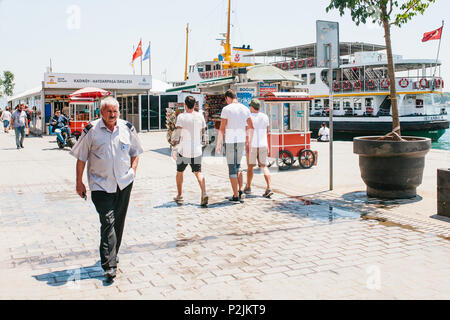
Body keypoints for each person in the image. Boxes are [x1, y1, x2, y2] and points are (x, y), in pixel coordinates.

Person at [69, 96, 143, 281]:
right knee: (108, 220)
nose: (112, 115)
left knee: (118, 220)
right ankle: (109, 265)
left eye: (115, 111)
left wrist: (133, 171)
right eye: (109, 111)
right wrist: (79, 182)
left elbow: (136, 152)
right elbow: (81, 158)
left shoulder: (127, 128)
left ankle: (112, 253)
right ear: (101, 112)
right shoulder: (91, 130)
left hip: (124, 183)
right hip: (100, 185)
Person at [216, 89, 254, 203]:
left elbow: (222, 128)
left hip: (230, 141)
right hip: (241, 141)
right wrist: (249, 140)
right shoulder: (245, 108)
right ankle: (241, 189)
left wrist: (218, 143)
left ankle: (236, 195)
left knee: (232, 169)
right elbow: (251, 126)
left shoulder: (226, 109)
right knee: (238, 167)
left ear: (228, 98)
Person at [172, 96, 208, 207]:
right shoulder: (200, 116)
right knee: (198, 173)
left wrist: (174, 144)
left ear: (185, 105)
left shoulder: (181, 117)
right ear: (195, 105)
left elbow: (177, 133)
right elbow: (203, 131)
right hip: (197, 150)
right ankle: (204, 193)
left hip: (184, 150)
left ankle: (180, 195)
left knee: (179, 173)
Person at [244, 99, 273, 198]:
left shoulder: (249, 117)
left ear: (252, 107)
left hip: (252, 145)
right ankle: (269, 187)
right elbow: (267, 131)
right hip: (263, 144)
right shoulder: (265, 117)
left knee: (250, 167)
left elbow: (247, 132)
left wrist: (246, 144)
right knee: (264, 166)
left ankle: (248, 187)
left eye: (250, 106)